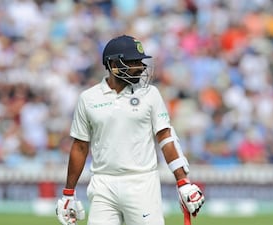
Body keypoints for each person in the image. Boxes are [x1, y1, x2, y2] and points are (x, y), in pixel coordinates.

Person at [56, 35, 205, 225]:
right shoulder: (89, 98)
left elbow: (166, 138)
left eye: (141, 61)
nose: (141, 67)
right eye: (133, 61)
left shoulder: (150, 94)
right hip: (103, 184)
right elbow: (79, 147)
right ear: (113, 64)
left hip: (142, 183)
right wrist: (69, 193)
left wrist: (183, 181)